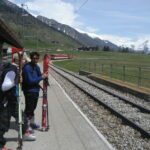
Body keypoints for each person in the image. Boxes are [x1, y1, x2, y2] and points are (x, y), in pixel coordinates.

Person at [0, 51, 36, 150]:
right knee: (3, 123)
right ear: (20, 60)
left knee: (22, 117)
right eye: (24, 60)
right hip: (6, 101)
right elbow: (4, 87)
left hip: (13, 99)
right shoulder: (12, 69)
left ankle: (24, 133)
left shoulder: (16, 69)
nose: (25, 62)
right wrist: (16, 81)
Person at [22, 52, 48, 130]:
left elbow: (39, 75)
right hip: (29, 91)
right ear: (31, 58)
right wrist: (41, 77)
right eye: (34, 58)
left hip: (35, 90)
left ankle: (32, 123)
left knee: (33, 108)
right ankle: (26, 126)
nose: (35, 60)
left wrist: (43, 75)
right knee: (29, 109)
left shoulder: (36, 66)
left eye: (37, 58)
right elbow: (30, 81)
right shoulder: (27, 67)